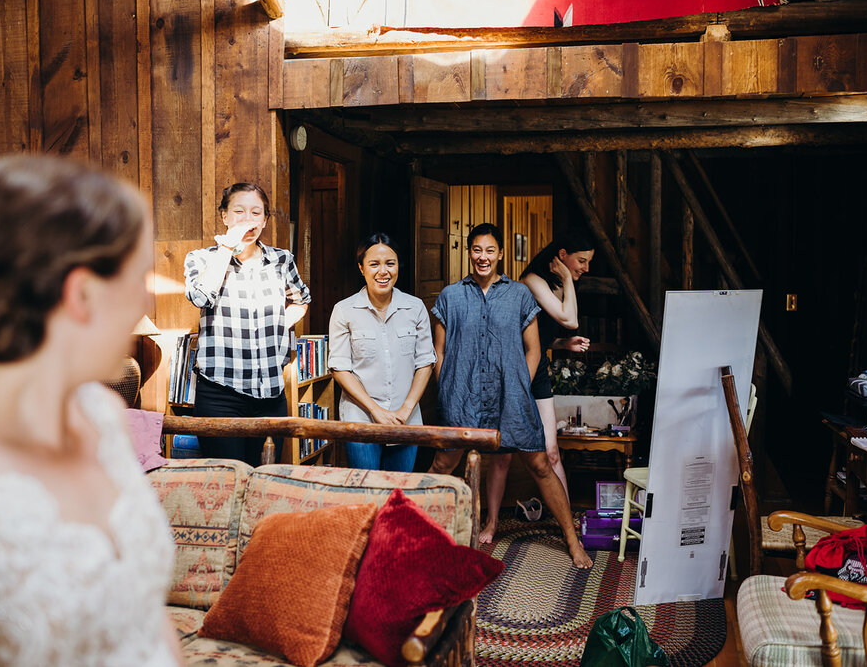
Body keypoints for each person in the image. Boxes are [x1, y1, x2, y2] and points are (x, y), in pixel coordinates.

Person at [0, 154, 183, 665]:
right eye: (139, 280)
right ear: (81, 293)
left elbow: (143, 614)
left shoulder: (103, 415)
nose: (142, 305)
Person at [428, 223, 593, 569]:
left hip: (511, 399)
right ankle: (424, 531)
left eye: (490, 250)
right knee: (444, 463)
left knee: (540, 464)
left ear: (500, 254)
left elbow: (533, 349)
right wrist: (448, 391)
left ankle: (572, 540)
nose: (482, 257)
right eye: (476, 250)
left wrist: (519, 386)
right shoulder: (450, 296)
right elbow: (439, 352)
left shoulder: (519, 294)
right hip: (463, 398)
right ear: (469, 252)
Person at [184, 183, 310, 467]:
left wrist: (281, 324)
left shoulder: (281, 260)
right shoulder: (201, 258)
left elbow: (302, 300)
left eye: (256, 213)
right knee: (227, 482)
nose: (248, 219)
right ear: (225, 216)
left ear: (265, 220)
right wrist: (227, 248)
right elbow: (201, 296)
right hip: (220, 394)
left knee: (264, 481)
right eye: (239, 211)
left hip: (271, 394)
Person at [479, 233, 595, 542]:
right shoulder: (532, 280)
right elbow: (569, 318)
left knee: (552, 452)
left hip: (538, 368)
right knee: (502, 455)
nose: (584, 268)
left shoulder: (558, 283)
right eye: (581, 261)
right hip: (510, 369)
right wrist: (568, 281)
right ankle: (491, 523)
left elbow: (542, 334)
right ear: (561, 255)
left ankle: (566, 522)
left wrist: (561, 343)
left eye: (588, 263)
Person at [328, 233, 435, 471]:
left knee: (398, 491)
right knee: (367, 492)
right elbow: (340, 367)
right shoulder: (344, 310)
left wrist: (406, 409)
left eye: (390, 263)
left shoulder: (415, 307)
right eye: (374, 264)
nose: (383, 271)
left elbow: (425, 362)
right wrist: (375, 410)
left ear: (398, 266)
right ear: (361, 268)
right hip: (361, 419)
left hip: (405, 419)